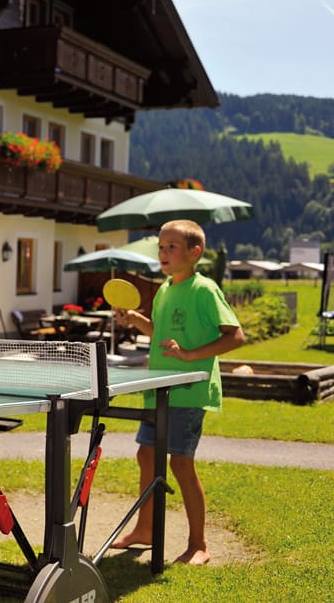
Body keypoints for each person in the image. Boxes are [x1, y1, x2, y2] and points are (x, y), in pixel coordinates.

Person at [110, 219, 243, 565]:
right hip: (158, 389)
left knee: (181, 463)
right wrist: (135, 320)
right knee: (146, 457)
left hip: (188, 391)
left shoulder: (204, 289)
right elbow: (159, 332)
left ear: (194, 252)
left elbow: (235, 336)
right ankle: (145, 530)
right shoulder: (165, 289)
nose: (163, 253)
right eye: (161, 247)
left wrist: (189, 355)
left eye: (172, 247)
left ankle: (199, 544)